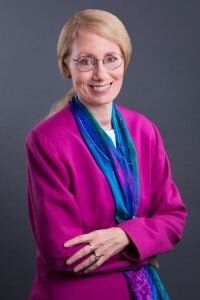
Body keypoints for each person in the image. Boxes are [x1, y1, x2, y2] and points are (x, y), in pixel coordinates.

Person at [25, 9, 187, 300]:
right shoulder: (46, 140)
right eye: (86, 61)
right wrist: (143, 244)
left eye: (111, 59)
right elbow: (64, 253)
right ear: (66, 65)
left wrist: (124, 236)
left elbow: (174, 219)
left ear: (124, 61)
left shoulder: (145, 130)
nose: (101, 74)